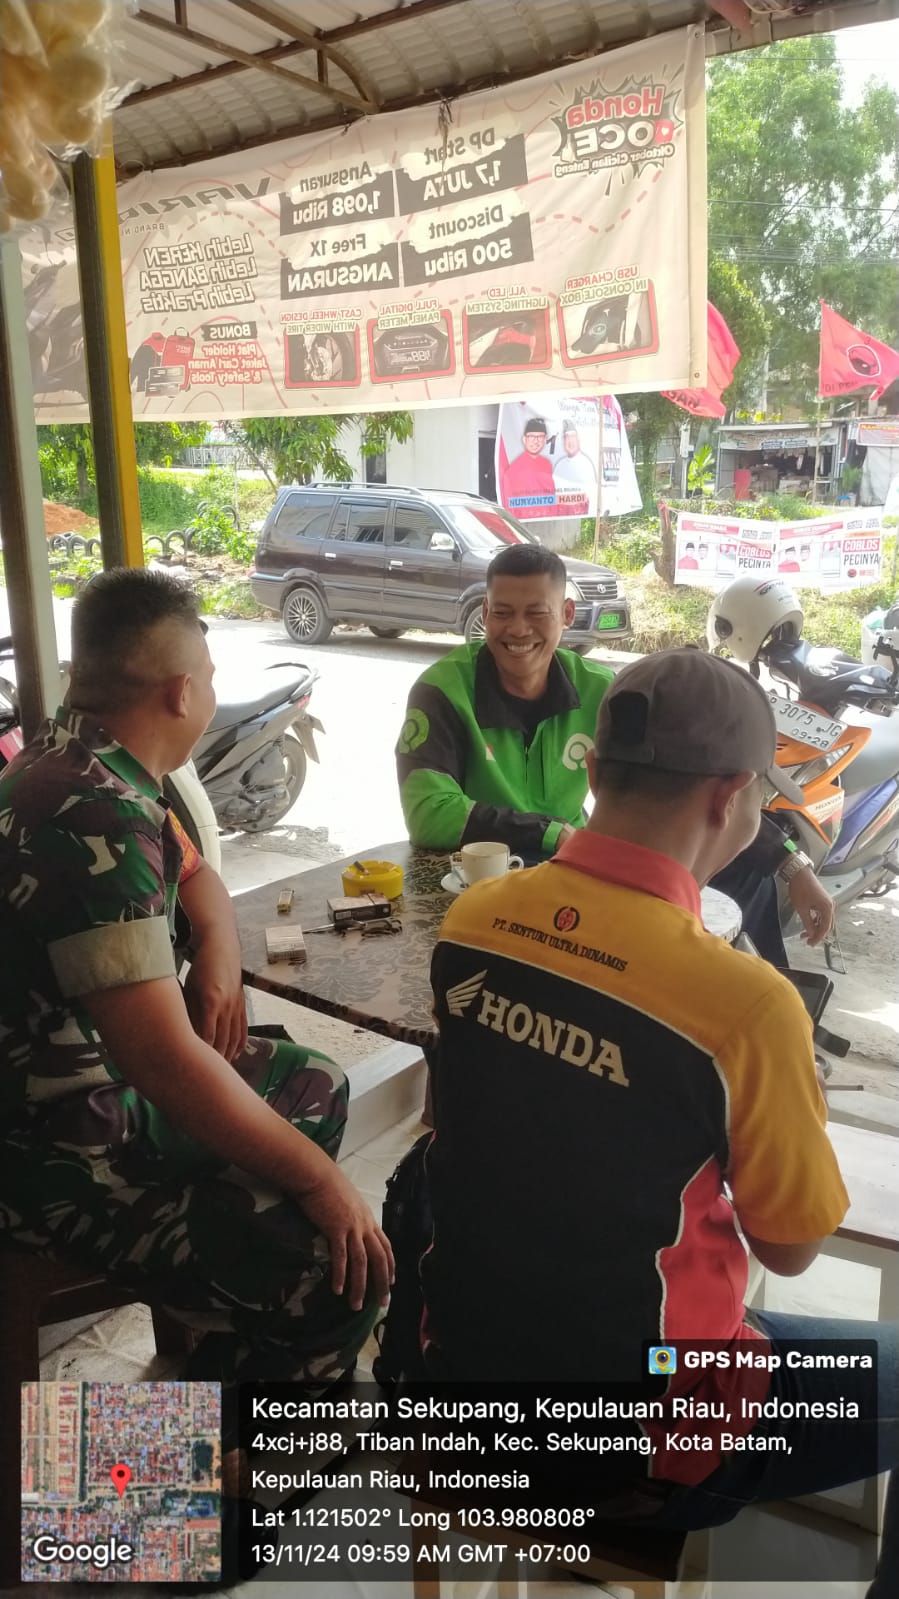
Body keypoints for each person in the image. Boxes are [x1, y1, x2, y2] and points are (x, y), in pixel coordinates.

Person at [421, 648, 897, 1597]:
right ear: (728, 798)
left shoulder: (474, 918)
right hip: (638, 1441)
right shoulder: (743, 1002)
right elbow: (789, 1246)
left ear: (594, 771)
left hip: (461, 1380)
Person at [0, 569, 393, 1451]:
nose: (212, 693)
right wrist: (320, 1182)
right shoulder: (93, 812)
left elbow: (193, 875)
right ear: (182, 692)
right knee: (336, 1272)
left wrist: (216, 947)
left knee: (312, 1082)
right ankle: (166, 1489)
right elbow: (165, 1064)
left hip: (89, 1093)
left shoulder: (75, 759)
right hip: (49, 1143)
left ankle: (220, 1342)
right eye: (210, 677)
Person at [396, 542, 834, 956]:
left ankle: (752, 984)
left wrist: (790, 864)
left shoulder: (604, 690)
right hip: (483, 879)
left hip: (573, 865)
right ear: (485, 614)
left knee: (752, 875)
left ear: (567, 614)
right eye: (503, 613)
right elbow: (428, 813)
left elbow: (703, 776)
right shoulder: (444, 690)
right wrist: (549, 832)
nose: (518, 630)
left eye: (536, 613)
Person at [501, 415, 555, 507]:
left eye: (540, 437)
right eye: (531, 436)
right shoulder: (513, 470)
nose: (536, 441)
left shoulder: (547, 464)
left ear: (545, 439)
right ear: (524, 439)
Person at [552, 423, 596, 492]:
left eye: (573, 437)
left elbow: (591, 492)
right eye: (567, 437)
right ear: (563, 442)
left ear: (578, 440)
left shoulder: (586, 464)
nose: (570, 441)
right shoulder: (559, 465)